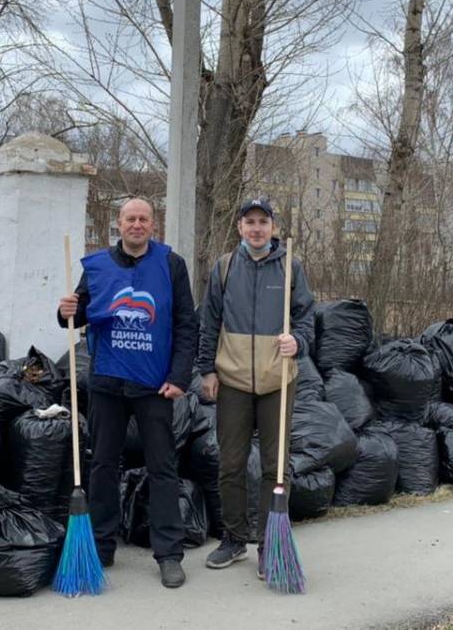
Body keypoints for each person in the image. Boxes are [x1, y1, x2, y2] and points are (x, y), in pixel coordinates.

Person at [57, 196, 197, 589]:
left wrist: (180, 376)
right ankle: (101, 546)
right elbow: (79, 314)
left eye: (144, 219)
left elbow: (187, 325)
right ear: (118, 224)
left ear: (154, 224)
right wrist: (66, 309)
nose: (137, 224)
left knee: (163, 468)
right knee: (102, 465)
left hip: (154, 385)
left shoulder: (171, 265)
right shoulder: (98, 267)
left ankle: (169, 553)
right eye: (130, 219)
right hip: (106, 382)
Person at [195, 197, 315, 579]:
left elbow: (307, 318)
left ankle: (269, 543)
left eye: (264, 222)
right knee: (230, 464)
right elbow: (209, 320)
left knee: (275, 467)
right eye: (250, 222)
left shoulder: (291, 266)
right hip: (231, 379)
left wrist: (298, 341)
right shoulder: (225, 267)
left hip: (277, 379)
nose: (257, 228)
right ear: (240, 227)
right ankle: (233, 538)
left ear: (273, 227)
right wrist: (206, 371)